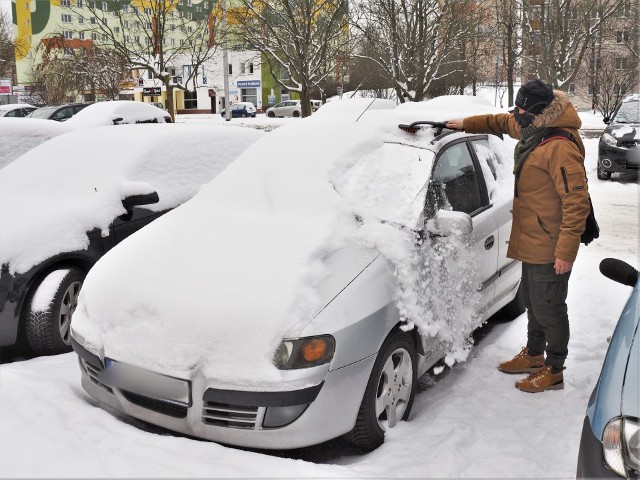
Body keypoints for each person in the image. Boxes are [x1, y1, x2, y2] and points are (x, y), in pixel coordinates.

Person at [446, 79, 591, 393]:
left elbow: (576, 202)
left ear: (538, 111)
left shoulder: (560, 146)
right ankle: (534, 354)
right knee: (533, 302)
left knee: (550, 307)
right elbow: (501, 121)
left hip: (551, 244)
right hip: (532, 237)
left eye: (522, 108)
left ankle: (554, 369)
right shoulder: (534, 127)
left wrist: (566, 252)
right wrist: (464, 124)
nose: (517, 112)